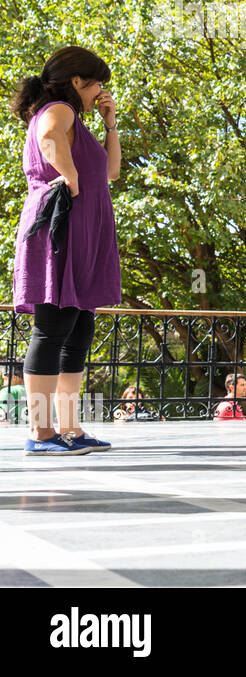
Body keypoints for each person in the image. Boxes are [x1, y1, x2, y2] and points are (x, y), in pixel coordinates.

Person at [10, 46, 120, 456]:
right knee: (52, 328)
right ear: (78, 81)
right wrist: (70, 177)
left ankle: (70, 429)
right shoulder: (59, 109)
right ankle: (41, 433)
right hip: (61, 230)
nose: (100, 92)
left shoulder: (82, 122)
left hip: (84, 232)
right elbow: (48, 137)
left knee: (77, 331)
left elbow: (110, 172)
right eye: (98, 84)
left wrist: (110, 124)